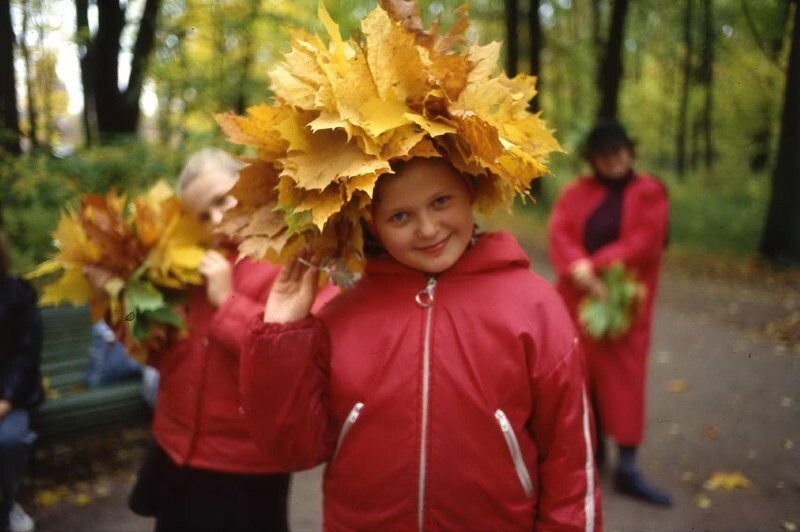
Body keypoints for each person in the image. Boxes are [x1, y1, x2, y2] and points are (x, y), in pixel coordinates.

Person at [240, 157, 601, 530]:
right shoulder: (341, 311)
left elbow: (571, 467)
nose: (428, 229)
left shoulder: (535, 307)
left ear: (470, 190)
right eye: (400, 217)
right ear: (371, 224)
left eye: (441, 201)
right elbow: (292, 449)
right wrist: (281, 332)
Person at [125, 148, 335, 531]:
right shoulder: (182, 267)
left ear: (249, 184)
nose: (218, 219)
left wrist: (227, 302)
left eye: (223, 199)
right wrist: (123, 300)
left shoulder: (292, 258)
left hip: (245, 464)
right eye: (203, 216)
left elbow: (300, 363)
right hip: (176, 450)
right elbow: (154, 353)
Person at [547, 119, 672, 507]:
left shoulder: (649, 191)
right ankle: (592, 457)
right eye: (604, 155)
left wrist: (596, 265)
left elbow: (645, 241)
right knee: (580, 379)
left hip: (624, 305)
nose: (613, 161)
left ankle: (628, 469)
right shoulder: (576, 192)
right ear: (593, 160)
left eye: (618, 152)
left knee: (625, 382)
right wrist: (577, 268)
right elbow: (560, 232)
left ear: (630, 152)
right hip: (579, 301)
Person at [0, 230, 43, 532]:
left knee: (8, 440)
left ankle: (8, 503)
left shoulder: (18, 296)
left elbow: (26, 357)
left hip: (11, 394)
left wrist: (6, 399)